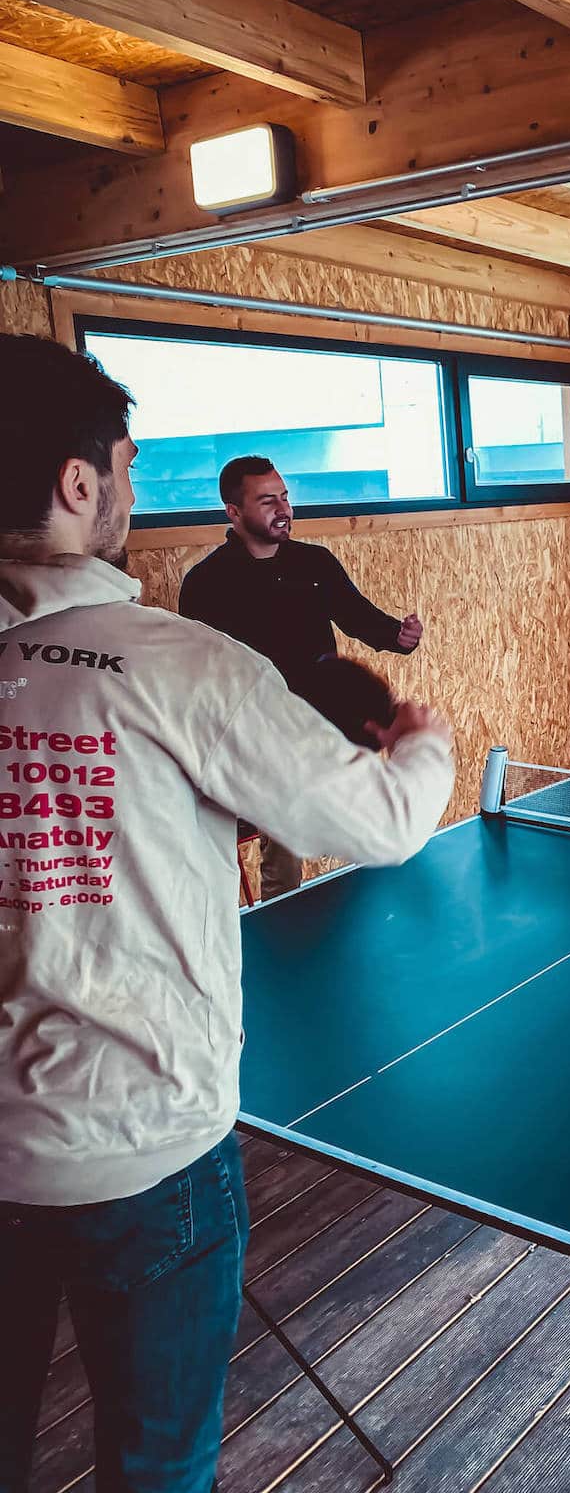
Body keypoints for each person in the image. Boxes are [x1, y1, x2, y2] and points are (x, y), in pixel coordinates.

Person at [0, 334, 454, 1493]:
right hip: (145, 1147)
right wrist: (425, 742)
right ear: (78, 483)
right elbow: (391, 822)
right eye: (129, 465)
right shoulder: (180, 658)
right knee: (156, 1470)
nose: (132, 488)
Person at [178, 455, 425, 899]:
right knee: (284, 861)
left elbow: (358, 616)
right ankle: (282, 929)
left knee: (360, 826)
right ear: (234, 512)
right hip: (263, 736)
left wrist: (399, 636)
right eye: (267, 500)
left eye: (285, 497)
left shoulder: (315, 564)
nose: (283, 509)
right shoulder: (206, 582)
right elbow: (199, 673)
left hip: (331, 725)